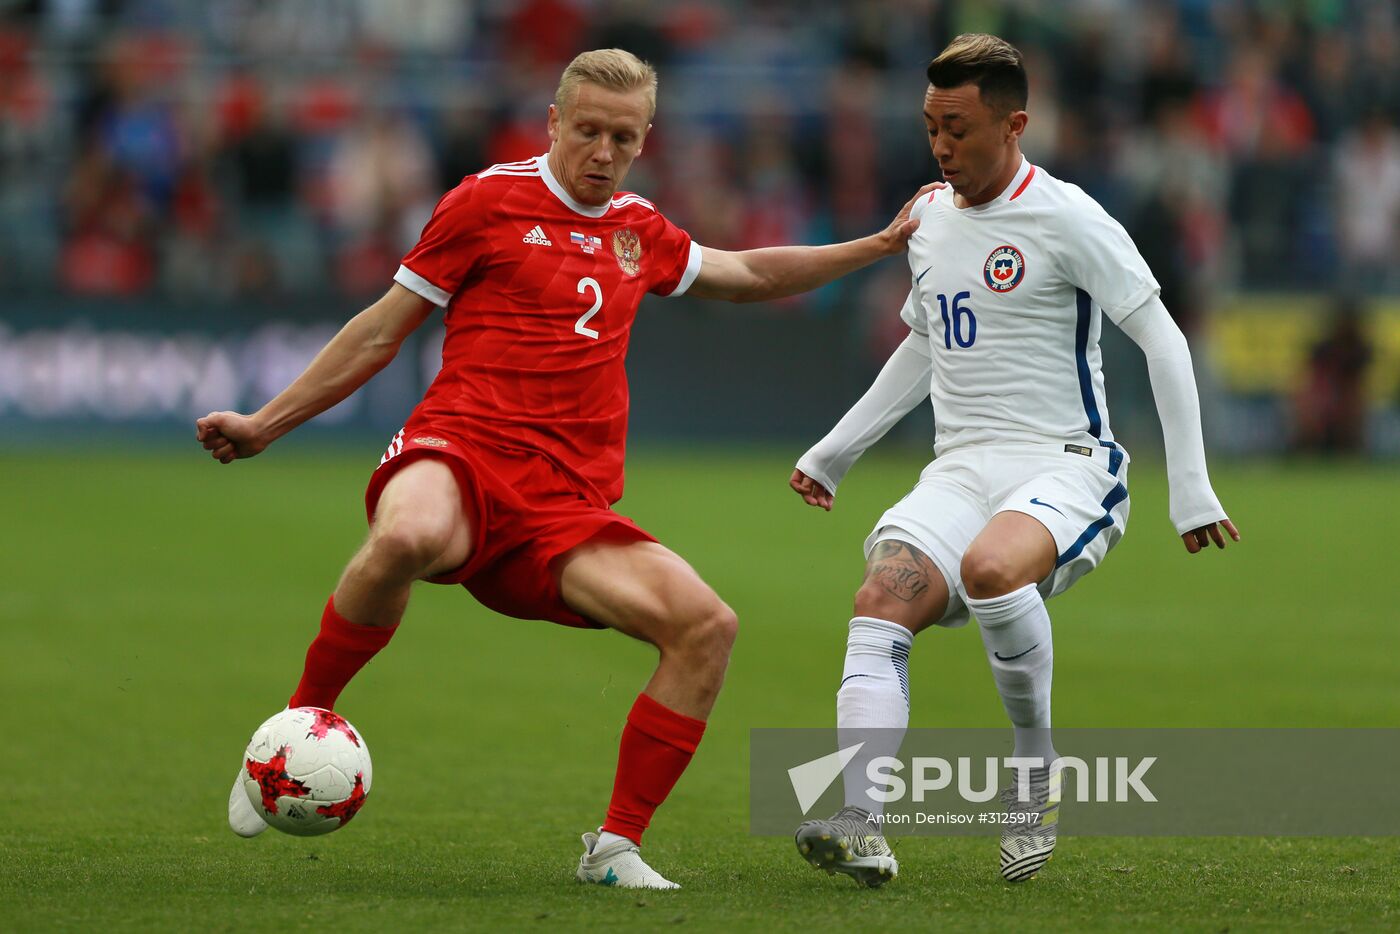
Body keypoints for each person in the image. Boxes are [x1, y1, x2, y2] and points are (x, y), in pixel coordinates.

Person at [197, 49, 931, 891]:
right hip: (462, 449)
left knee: (706, 626)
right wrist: (265, 424)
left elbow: (745, 272)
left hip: (565, 504)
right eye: (587, 130)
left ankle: (614, 848)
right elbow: (379, 331)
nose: (602, 151)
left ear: (643, 139)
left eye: (623, 137)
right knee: (410, 534)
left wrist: (877, 245)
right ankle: (292, 732)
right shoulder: (485, 201)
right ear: (553, 122)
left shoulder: (639, 229)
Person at [788, 34, 1240, 888]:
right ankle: (861, 820)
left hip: (1068, 464)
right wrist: (836, 450)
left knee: (993, 567)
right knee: (880, 597)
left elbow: (1164, 339)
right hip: (960, 468)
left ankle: (1034, 770)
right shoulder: (926, 213)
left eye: (958, 127)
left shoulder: (1070, 218)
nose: (941, 146)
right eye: (930, 127)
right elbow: (923, 348)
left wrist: (1192, 489)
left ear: (1015, 123)